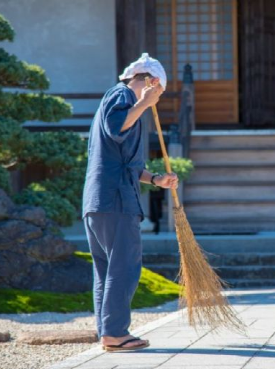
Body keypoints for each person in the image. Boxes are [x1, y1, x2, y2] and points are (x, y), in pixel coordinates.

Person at [82, 53, 178, 351]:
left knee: (107, 271)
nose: (158, 99)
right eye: (159, 91)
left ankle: (108, 332)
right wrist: (144, 103)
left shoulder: (123, 101)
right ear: (149, 82)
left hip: (101, 202)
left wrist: (156, 179)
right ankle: (115, 333)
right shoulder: (121, 95)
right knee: (124, 267)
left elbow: (127, 162)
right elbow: (116, 128)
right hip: (115, 202)